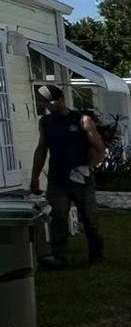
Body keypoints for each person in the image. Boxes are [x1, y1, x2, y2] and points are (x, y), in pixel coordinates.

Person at [29, 82, 106, 268]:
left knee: (89, 219)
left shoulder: (82, 120)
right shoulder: (46, 123)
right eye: (46, 103)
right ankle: (60, 258)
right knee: (59, 219)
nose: (50, 106)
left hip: (82, 178)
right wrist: (35, 176)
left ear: (62, 99)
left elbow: (99, 149)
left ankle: (96, 256)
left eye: (53, 101)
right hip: (58, 179)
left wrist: (88, 167)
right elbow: (41, 149)